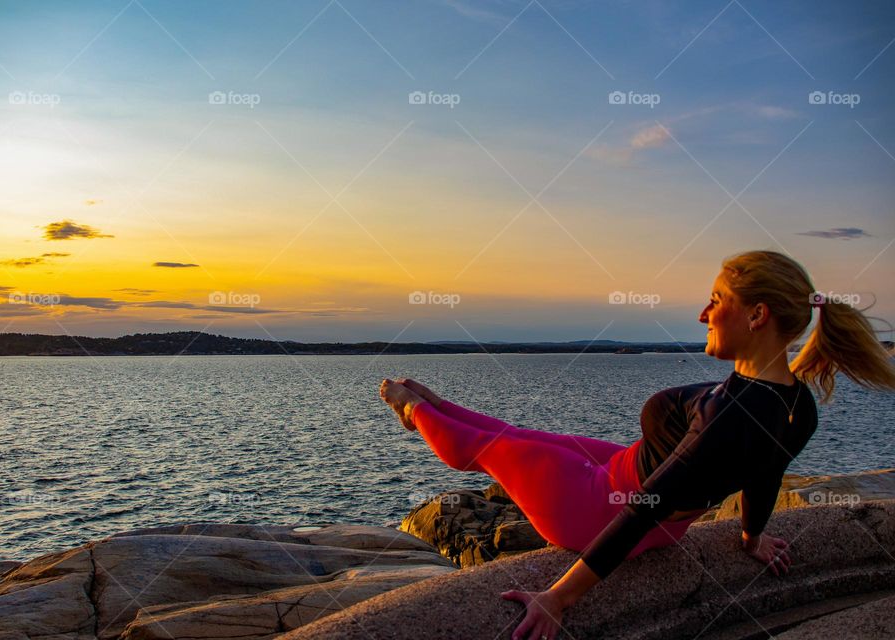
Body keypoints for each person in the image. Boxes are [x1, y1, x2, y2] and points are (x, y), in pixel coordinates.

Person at [378, 250, 895, 640]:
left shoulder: (728, 416)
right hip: (623, 471)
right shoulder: (795, 402)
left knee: (487, 450)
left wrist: (557, 598)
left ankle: (414, 409)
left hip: (593, 507)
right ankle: (436, 404)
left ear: (757, 315)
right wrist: (752, 536)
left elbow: (641, 511)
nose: (703, 314)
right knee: (522, 436)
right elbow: (766, 473)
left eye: (717, 301)